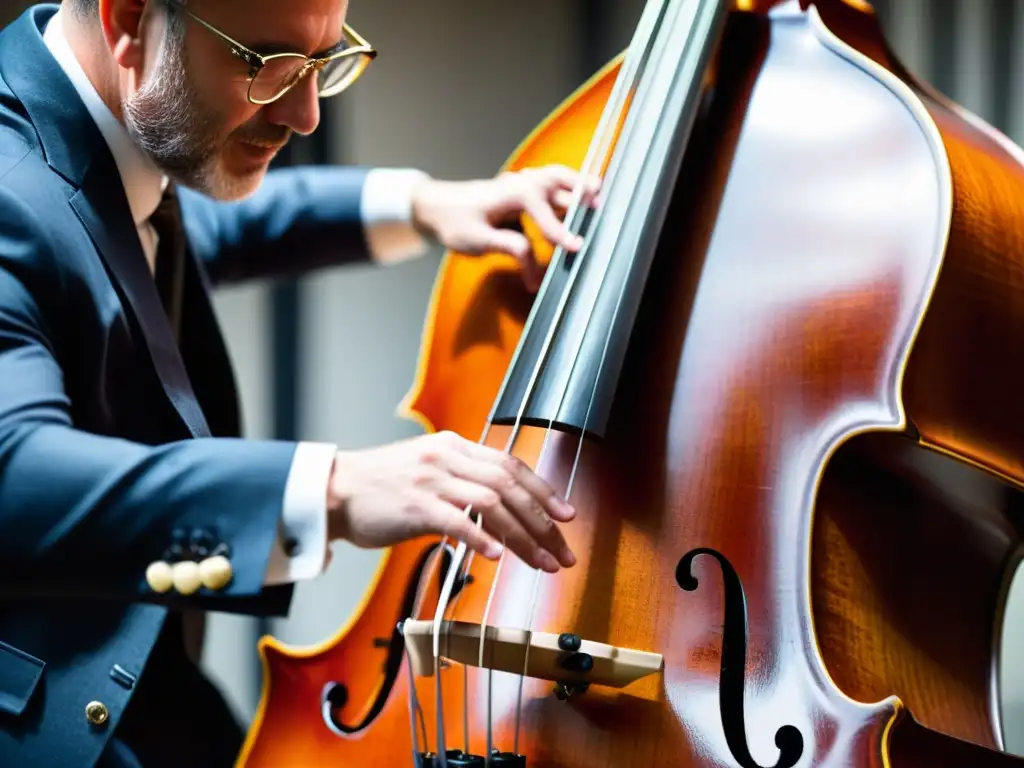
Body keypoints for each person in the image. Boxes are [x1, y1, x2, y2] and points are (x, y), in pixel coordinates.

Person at [0, 1, 600, 766]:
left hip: (143, 681)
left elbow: (200, 219)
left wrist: (422, 204)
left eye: (323, 59)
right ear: (127, 21)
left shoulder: (115, 125)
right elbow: (12, 471)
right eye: (267, 65)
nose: (307, 113)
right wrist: (335, 488)